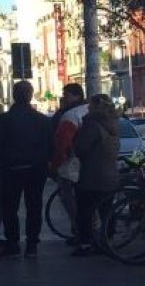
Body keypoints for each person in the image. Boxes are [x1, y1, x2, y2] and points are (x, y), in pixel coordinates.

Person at [0, 81, 52, 258]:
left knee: (9, 207)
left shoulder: (4, 120)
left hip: (9, 170)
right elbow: (50, 147)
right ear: (30, 95)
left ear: (14, 95)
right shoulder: (43, 121)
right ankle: (31, 245)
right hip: (36, 170)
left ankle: (13, 242)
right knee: (34, 206)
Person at [72, 94, 120, 257]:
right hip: (110, 174)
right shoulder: (113, 123)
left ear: (94, 106)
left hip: (92, 175)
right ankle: (107, 241)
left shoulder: (92, 124)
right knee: (106, 210)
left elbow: (81, 147)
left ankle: (86, 243)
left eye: (90, 105)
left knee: (85, 211)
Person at [50, 83, 89, 246]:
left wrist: (54, 164)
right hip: (90, 162)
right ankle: (88, 232)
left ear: (76, 96)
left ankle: (81, 231)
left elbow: (62, 143)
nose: (63, 97)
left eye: (66, 94)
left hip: (71, 162)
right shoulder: (89, 111)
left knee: (69, 197)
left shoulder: (70, 115)